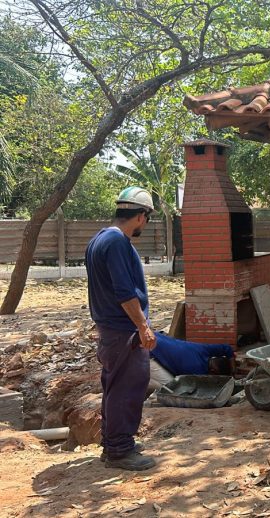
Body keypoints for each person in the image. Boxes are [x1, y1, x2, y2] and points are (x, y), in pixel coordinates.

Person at [85, 186, 158, 471]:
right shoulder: (117, 243)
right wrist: (143, 327)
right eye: (147, 219)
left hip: (111, 330)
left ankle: (114, 443)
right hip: (123, 330)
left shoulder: (99, 239)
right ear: (141, 216)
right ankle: (119, 450)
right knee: (128, 387)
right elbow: (124, 291)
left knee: (115, 387)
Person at [148, 332, 235, 389]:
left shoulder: (204, 350)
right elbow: (196, 388)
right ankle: (139, 382)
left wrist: (233, 368)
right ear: (213, 371)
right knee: (171, 387)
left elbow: (227, 348)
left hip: (152, 335)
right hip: (147, 352)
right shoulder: (197, 371)